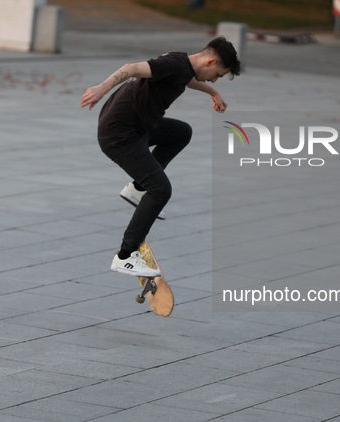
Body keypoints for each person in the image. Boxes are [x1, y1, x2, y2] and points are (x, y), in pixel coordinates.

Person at [79, 37, 240, 278]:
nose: (214, 79)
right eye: (217, 74)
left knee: (181, 132)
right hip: (120, 136)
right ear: (209, 61)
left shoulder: (183, 63)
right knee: (161, 190)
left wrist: (213, 92)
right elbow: (131, 69)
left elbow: (188, 80)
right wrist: (101, 88)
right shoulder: (175, 65)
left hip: (138, 128)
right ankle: (125, 257)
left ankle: (136, 189)